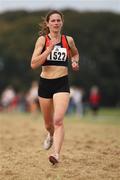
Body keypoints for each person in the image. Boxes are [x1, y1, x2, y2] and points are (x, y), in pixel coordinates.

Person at [31, 10, 79, 165]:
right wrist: (48, 50)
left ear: (62, 22)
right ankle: (50, 135)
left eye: (59, 20)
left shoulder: (68, 40)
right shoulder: (42, 40)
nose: (56, 23)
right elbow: (33, 64)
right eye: (53, 21)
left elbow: (75, 54)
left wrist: (74, 61)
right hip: (45, 84)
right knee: (48, 124)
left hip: (61, 83)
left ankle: (56, 155)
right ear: (48, 23)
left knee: (58, 120)